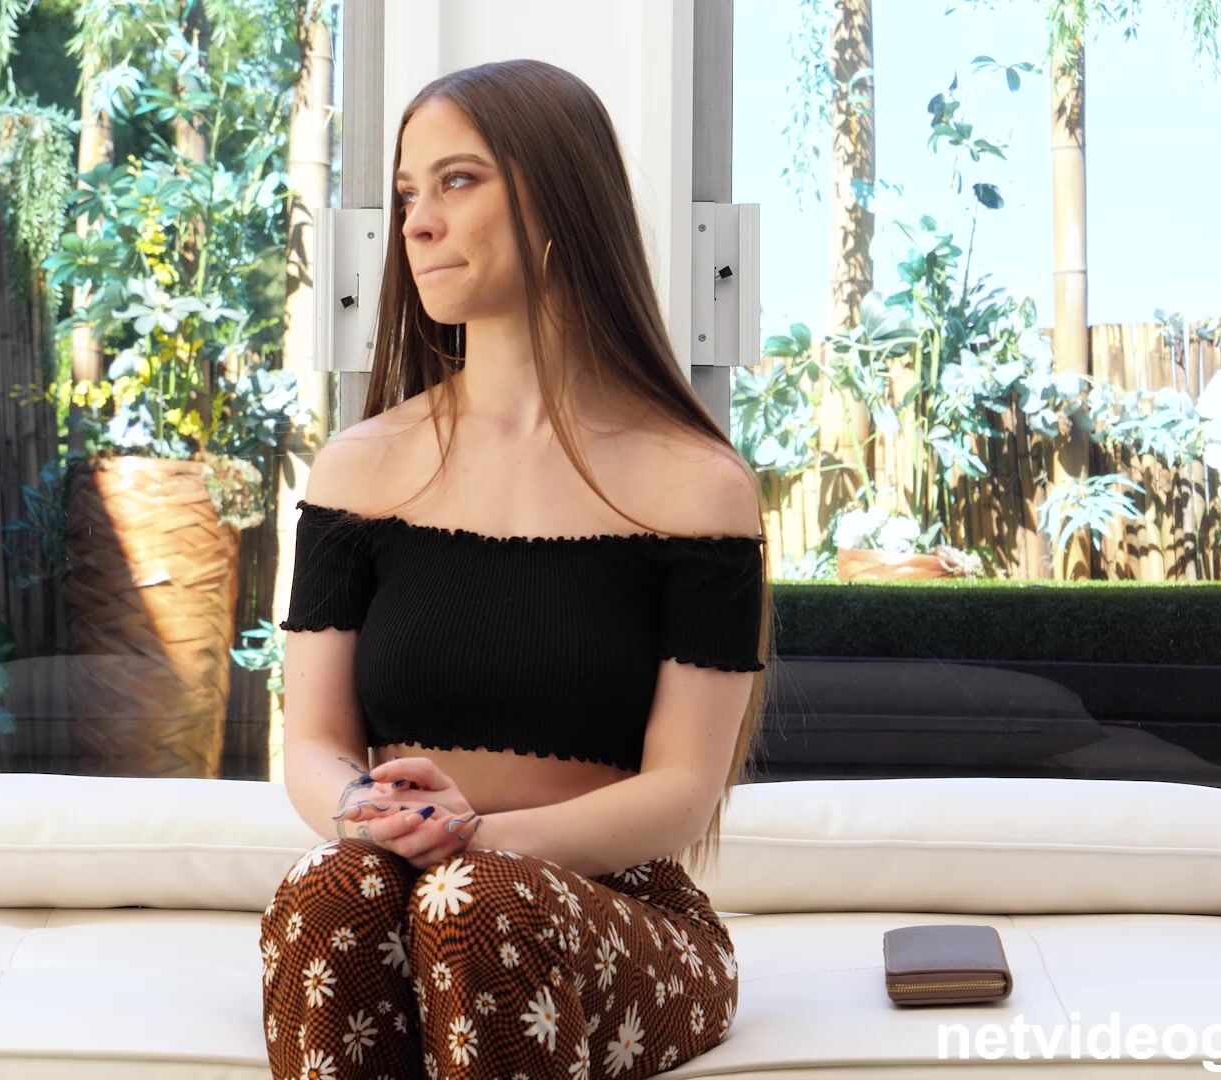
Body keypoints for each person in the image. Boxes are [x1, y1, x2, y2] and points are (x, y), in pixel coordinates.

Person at [261, 57, 775, 1080]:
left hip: (616, 911)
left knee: (472, 901)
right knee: (329, 892)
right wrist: (370, 814)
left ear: (559, 199)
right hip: (402, 889)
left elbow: (683, 790)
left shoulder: (696, 486)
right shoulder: (360, 470)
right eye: (407, 194)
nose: (417, 224)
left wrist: (479, 840)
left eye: (457, 181)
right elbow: (312, 742)